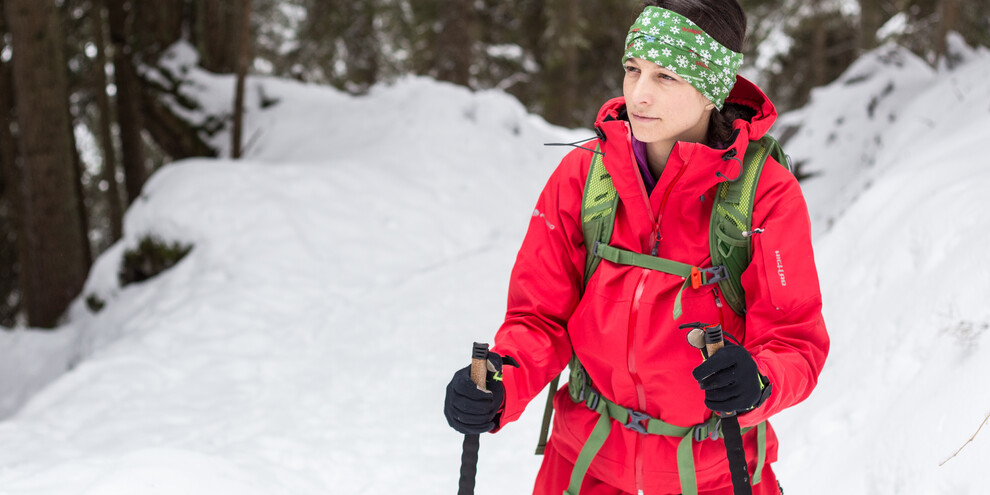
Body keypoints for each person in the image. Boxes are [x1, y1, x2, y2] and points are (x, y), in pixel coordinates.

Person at [444, 0, 829, 493]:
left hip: (715, 472)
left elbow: (795, 341)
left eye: (666, 77)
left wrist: (759, 381)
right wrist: (499, 384)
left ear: (712, 88)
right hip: (583, 468)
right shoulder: (584, 176)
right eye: (633, 70)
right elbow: (539, 319)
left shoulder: (764, 194)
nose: (639, 95)